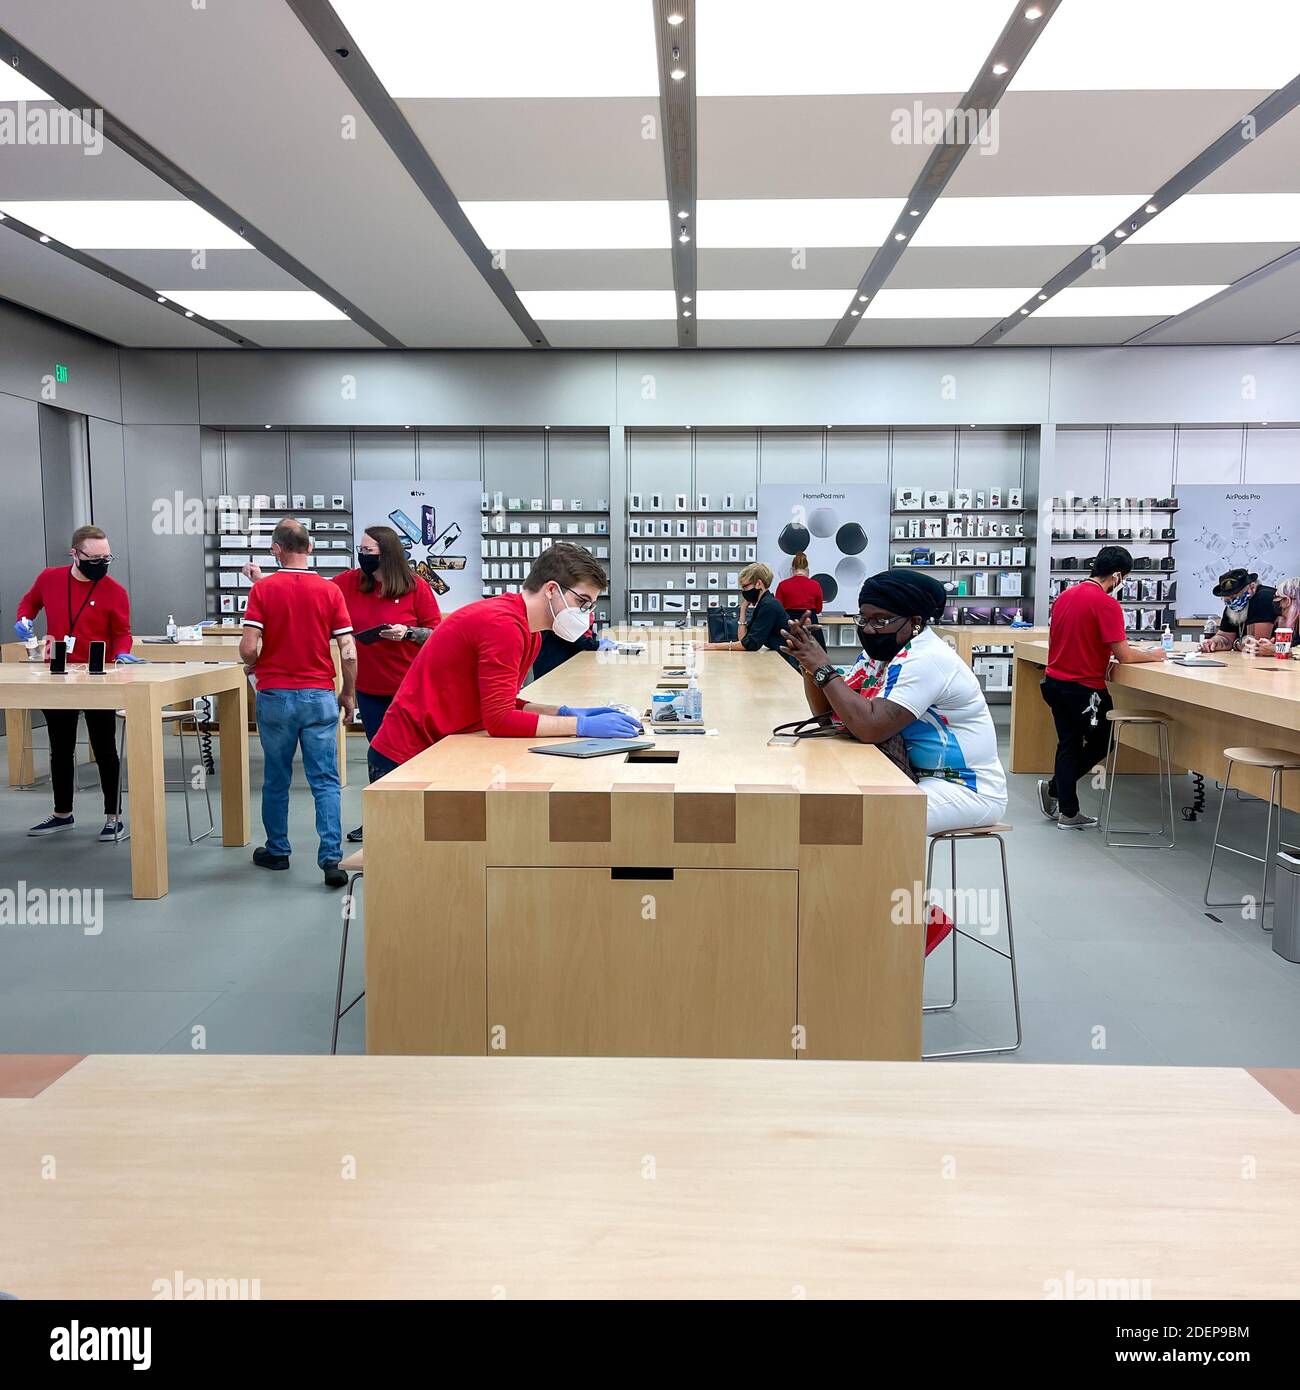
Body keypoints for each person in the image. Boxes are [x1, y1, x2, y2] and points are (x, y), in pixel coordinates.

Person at [368, 543, 640, 776]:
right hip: (405, 755)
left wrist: (563, 712)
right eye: (583, 602)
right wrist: (580, 726)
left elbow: (503, 703)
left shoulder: (528, 630)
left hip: (437, 746)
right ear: (551, 590)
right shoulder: (503, 625)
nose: (585, 612)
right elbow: (499, 720)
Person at [782, 568, 1006, 834]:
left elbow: (870, 727)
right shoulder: (879, 655)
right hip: (914, 773)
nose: (868, 629)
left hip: (964, 787)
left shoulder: (926, 659)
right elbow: (832, 713)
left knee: (865, 820)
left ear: (915, 622)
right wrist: (810, 667)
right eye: (863, 619)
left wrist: (824, 669)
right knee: (830, 802)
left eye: (880, 620)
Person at [239, 519, 358, 888]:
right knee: (325, 781)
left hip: (275, 696)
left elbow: (247, 647)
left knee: (276, 777)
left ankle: (278, 851)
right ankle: (332, 860)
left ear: (277, 549)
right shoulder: (330, 591)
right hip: (319, 696)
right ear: (309, 549)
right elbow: (348, 651)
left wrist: (256, 666)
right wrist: (348, 692)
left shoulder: (263, 590)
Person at [15, 525, 138, 841]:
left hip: (98, 676)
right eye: (94, 558)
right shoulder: (50, 578)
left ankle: (113, 817)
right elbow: (30, 603)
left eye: (106, 557)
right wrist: (24, 620)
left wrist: (122, 654)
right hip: (57, 673)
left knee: (104, 746)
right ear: (75, 554)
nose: (101, 563)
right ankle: (62, 813)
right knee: (60, 747)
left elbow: (122, 632)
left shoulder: (114, 591)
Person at [1038, 546, 1166, 829]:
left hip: (1055, 682)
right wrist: (1154, 655)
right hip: (1085, 689)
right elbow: (1125, 655)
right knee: (1103, 741)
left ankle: (1067, 808)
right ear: (1118, 575)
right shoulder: (1107, 604)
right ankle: (1057, 790)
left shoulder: (1064, 596)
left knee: (1068, 743)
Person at [331, 525, 441, 842]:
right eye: (361, 550)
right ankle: (380, 819)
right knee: (379, 753)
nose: (363, 556)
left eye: (370, 551)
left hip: (408, 689)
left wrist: (407, 633)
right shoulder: (349, 583)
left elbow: (436, 634)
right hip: (370, 689)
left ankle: (418, 816)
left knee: (413, 754)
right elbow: (314, 592)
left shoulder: (415, 587)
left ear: (388, 554)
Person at [696, 562, 788, 655]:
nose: (744, 591)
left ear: (758, 584)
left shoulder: (769, 606)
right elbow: (744, 639)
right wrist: (743, 609)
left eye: (746, 587)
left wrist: (712, 646)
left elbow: (750, 645)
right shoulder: (763, 604)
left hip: (786, 661)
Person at [1200, 568, 1279, 654]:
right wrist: (1212, 642)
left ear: (1252, 588)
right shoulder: (1233, 605)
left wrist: (1235, 643)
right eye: (1227, 599)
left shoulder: (1264, 598)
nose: (1231, 602)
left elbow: (1257, 645)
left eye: (1234, 597)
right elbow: (1224, 637)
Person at [774, 552, 825, 632]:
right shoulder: (816, 585)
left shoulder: (782, 585)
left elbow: (778, 609)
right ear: (807, 570)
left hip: (790, 624)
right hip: (810, 623)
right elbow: (818, 609)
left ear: (792, 569)